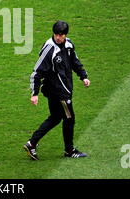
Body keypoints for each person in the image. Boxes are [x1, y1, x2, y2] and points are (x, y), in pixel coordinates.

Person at [23, 20, 90, 160]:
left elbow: (74, 62)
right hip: (59, 93)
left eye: (61, 35)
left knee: (55, 118)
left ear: (65, 35)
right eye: (56, 34)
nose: (58, 37)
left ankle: (32, 143)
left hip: (61, 89)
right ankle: (69, 150)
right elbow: (36, 72)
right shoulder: (49, 49)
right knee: (69, 118)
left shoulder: (69, 45)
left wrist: (83, 76)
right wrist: (34, 94)